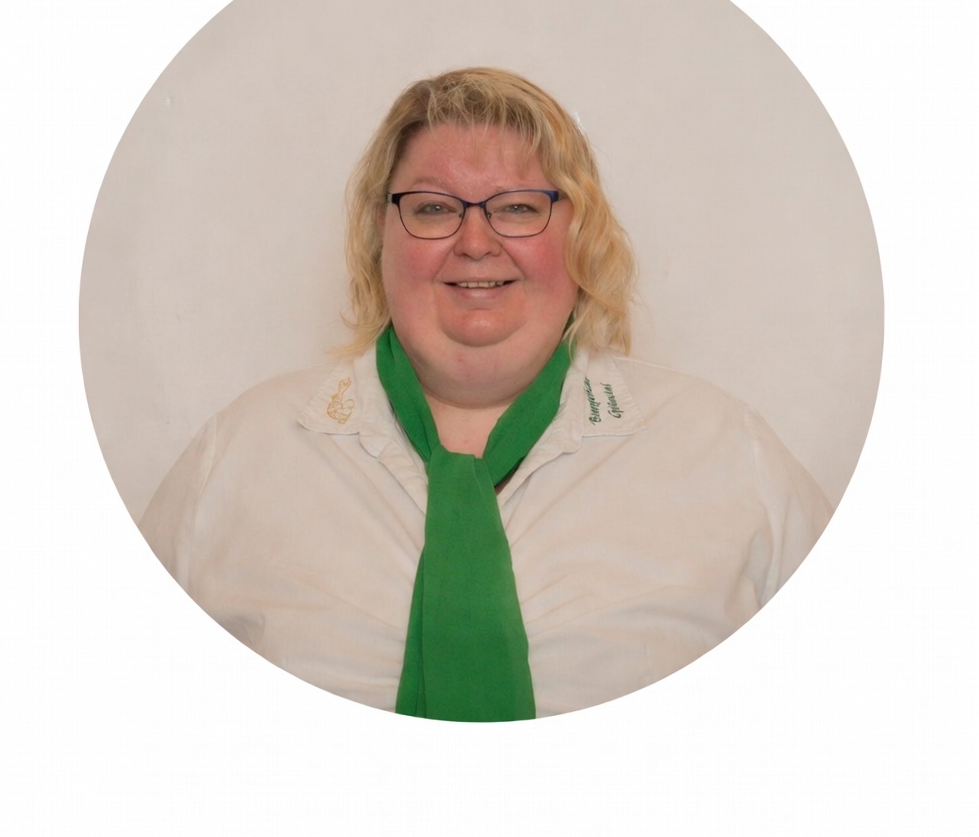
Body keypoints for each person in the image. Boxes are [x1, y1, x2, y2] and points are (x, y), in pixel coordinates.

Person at [140, 67, 833, 721]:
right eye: (433, 208)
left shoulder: (728, 455)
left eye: (520, 208)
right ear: (380, 234)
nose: (475, 241)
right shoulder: (236, 459)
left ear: (579, 233)